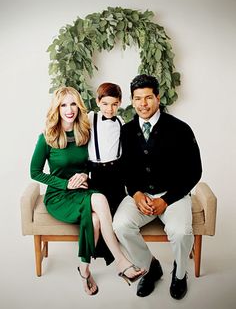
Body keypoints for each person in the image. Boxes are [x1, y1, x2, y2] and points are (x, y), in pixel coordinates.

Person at [30, 86, 146, 296]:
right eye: (64, 104)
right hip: (59, 196)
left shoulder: (84, 131)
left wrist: (84, 175)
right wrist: (65, 184)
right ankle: (120, 261)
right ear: (57, 108)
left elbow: (87, 163)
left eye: (73, 103)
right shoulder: (46, 137)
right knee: (100, 198)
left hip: (82, 190)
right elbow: (35, 173)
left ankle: (84, 271)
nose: (69, 109)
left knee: (94, 221)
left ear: (79, 106)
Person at [113, 74, 202, 300]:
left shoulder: (180, 129)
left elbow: (194, 171)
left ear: (158, 98)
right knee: (120, 225)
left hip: (173, 195)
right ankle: (151, 268)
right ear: (132, 101)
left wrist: (167, 199)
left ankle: (180, 275)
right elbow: (125, 169)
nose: (143, 104)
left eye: (148, 97)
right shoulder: (126, 131)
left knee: (181, 233)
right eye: (138, 98)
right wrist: (135, 193)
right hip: (140, 195)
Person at [88, 82, 126, 216]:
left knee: (118, 211)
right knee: (101, 213)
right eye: (105, 104)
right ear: (98, 101)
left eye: (114, 104)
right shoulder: (90, 118)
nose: (109, 109)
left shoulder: (121, 121)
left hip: (117, 173)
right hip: (97, 173)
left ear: (119, 103)